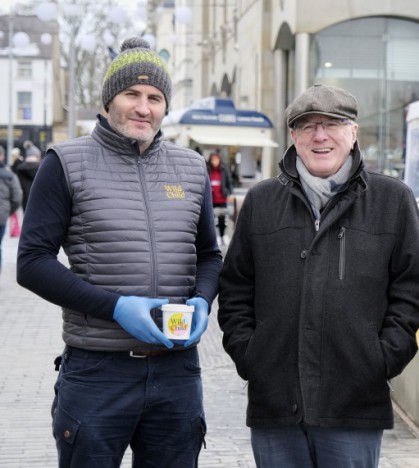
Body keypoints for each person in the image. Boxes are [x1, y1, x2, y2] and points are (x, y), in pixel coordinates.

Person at [16, 37, 222, 467]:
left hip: (177, 371)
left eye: (155, 97)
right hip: (97, 372)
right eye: (132, 94)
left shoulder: (191, 168)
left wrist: (203, 299)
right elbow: (32, 262)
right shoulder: (66, 162)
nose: (143, 107)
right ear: (109, 99)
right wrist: (116, 307)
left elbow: (209, 254)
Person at [217, 83, 419, 467]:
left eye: (332, 124)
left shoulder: (392, 200)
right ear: (293, 137)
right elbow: (235, 287)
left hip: (354, 403)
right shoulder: (261, 202)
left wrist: (380, 360)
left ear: (353, 133)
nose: (320, 135)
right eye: (307, 125)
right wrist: (251, 355)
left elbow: (412, 292)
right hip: (276, 405)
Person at [0, 146, 22, 272]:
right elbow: (17, 197)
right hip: (1, 215)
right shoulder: (9, 175)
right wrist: (9, 210)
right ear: (2, 156)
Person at [207, 151, 233, 244]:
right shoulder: (208, 170)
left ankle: (222, 237)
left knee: (222, 221)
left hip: (222, 198)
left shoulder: (223, 170)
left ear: (219, 160)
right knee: (210, 221)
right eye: (212, 160)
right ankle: (211, 239)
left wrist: (230, 193)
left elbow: (229, 183)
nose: (214, 161)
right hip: (211, 199)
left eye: (216, 159)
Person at [14, 140, 42, 211]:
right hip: (41, 201)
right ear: (37, 156)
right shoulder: (43, 168)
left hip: (25, 201)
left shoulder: (19, 168)